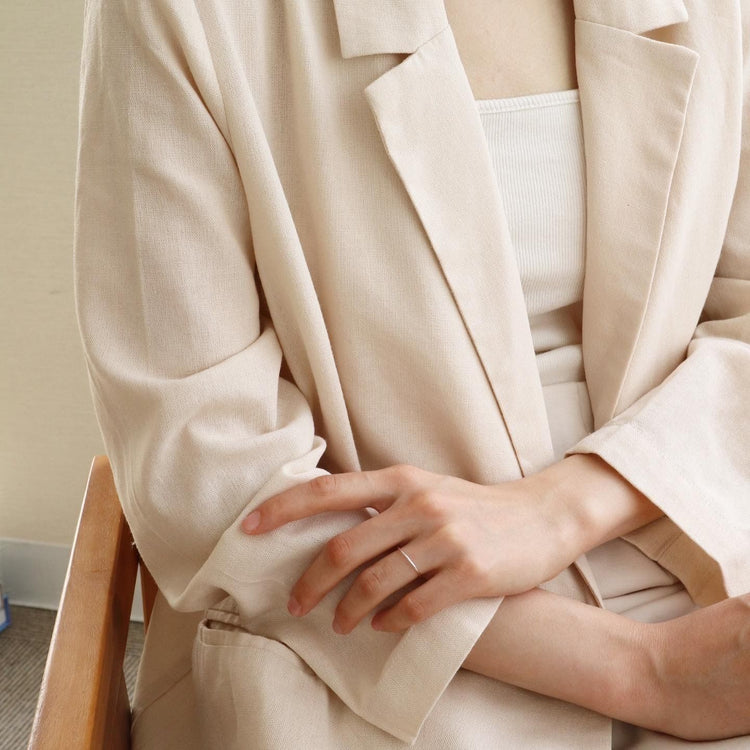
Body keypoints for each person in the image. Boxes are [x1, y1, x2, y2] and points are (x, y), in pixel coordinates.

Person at [73, 0, 750, 747]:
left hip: (700, 536)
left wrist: (563, 506)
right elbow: (200, 460)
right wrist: (644, 670)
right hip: (371, 644)